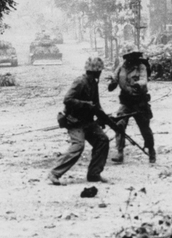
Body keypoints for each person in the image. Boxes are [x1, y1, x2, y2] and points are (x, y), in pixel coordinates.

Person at [48, 57, 110, 185]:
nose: (99, 73)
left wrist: (103, 118)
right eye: (98, 71)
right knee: (78, 146)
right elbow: (67, 100)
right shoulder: (80, 82)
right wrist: (85, 104)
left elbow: (96, 104)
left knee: (102, 140)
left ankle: (94, 173)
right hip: (74, 121)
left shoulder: (94, 83)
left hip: (88, 122)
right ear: (95, 71)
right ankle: (55, 173)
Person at [107, 48, 156, 164]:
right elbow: (114, 81)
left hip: (139, 102)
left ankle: (151, 150)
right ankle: (120, 152)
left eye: (133, 56)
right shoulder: (121, 67)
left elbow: (144, 80)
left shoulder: (141, 66)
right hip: (126, 102)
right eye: (129, 56)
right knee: (119, 125)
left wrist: (137, 84)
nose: (131, 59)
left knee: (144, 127)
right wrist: (112, 82)